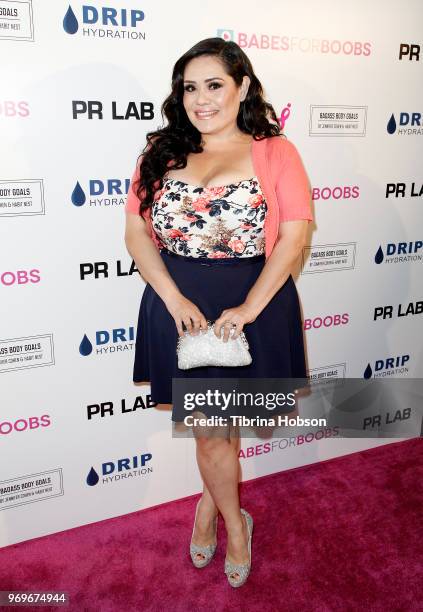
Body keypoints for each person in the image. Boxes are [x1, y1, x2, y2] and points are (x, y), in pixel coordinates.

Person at [124, 37, 313, 588]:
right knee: (212, 432)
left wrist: (251, 308)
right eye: (189, 87)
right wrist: (172, 296)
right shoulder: (159, 151)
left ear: (243, 88)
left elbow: (294, 235)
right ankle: (236, 523)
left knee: (221, 427)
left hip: (253, 303)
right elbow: (137, 231)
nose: (201, 99)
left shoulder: (276, 151)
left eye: (215, 85)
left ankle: (210, 511)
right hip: (178, 303)